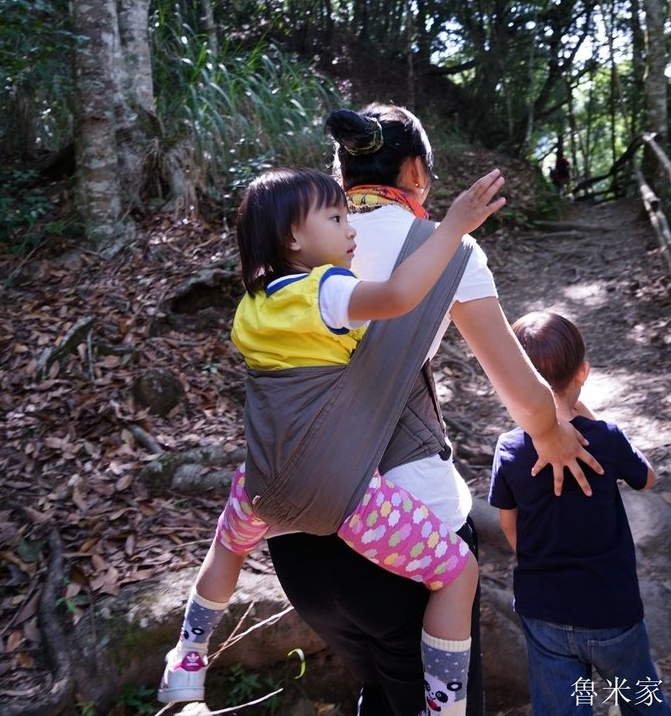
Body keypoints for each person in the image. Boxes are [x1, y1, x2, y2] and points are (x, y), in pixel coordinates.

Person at [266, 103, 602, 716]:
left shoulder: (292, 241)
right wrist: (551, 434)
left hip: (294, 537)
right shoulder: (443, 247)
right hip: (405, 539)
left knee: (380, 692)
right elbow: (522, 392)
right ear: (415, 171)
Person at [159, 163, 506, 712]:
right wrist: (454, 226)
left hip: (264, 484)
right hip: (342, 490)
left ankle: (187, 660)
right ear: (294, 236)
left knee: (228, 546)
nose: (351, 230)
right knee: (458, 570)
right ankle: (446, 704)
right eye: (336, 216)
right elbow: (398, 295)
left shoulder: (250, 307)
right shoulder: (326, 289)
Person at [488, 310, 670, 716]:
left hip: (544, 612)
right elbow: (649, 480)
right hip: (612, 609)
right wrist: (583, 410)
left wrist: (534, 560)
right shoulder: (606, 437)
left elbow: (506, 521)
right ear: (583, 372)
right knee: (643, 702)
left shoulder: (510, 449)